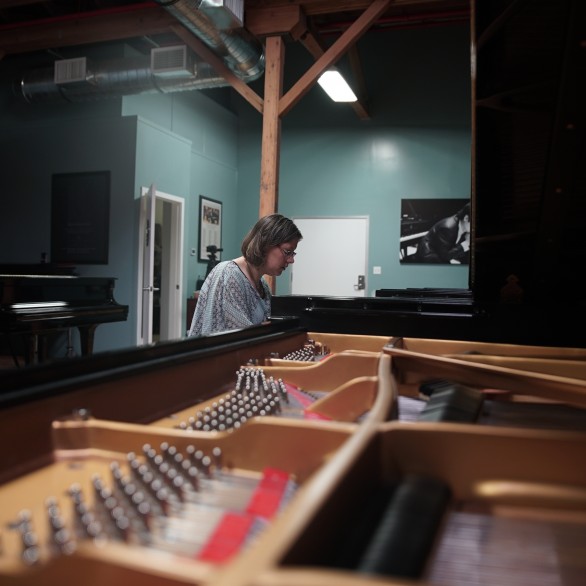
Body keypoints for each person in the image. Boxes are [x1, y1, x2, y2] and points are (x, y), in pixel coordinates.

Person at [188, 214, 302, 337]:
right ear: (266, 244)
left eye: (292, 254)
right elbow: (242, 335)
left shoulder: (263, 284)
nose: (291, 260)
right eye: (287, 252)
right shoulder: (228, 274)